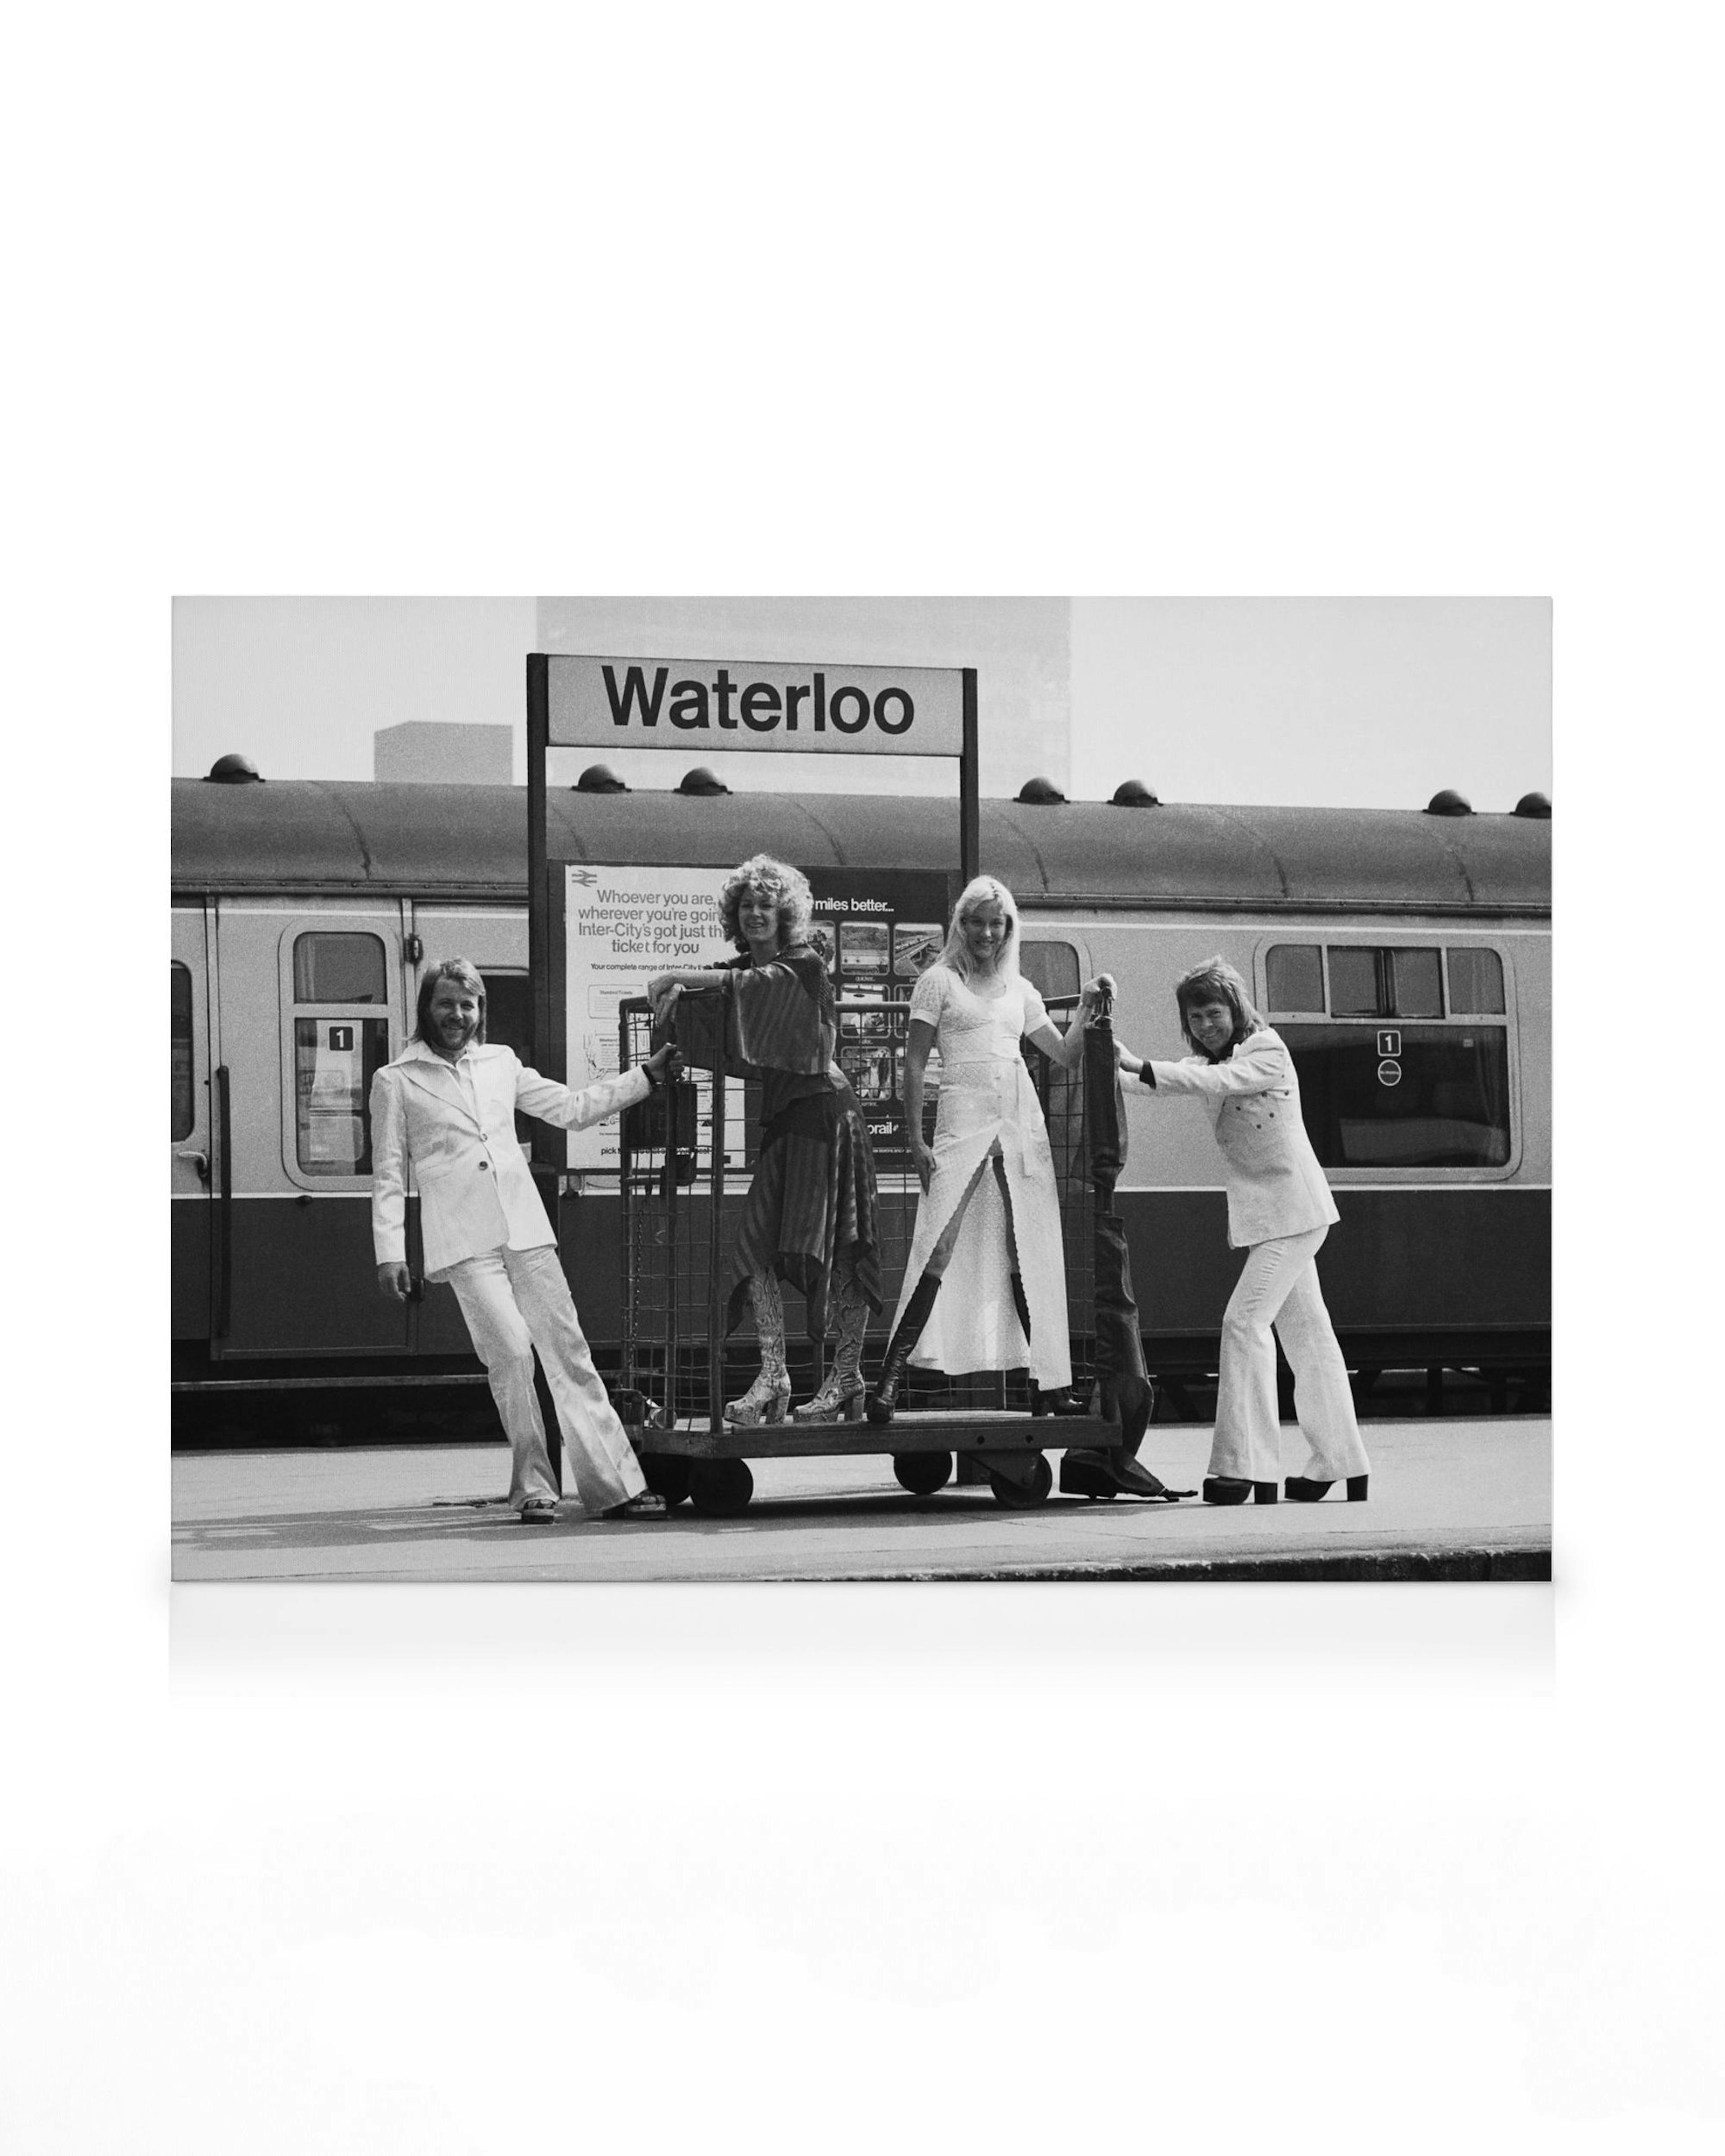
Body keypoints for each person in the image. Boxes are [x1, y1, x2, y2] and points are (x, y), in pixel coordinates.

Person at [372, 958, 680, 1523]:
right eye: (446, 1004)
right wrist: (390, 1251)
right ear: (427, 1008)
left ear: (480, 1010)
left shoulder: (501, 1064)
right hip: (465, 1242)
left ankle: (616, 1488)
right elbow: (390, 1171)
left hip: (526, 1231)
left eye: (468, 1005)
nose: (457, 1015)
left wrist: (647, 1077)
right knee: (512, 1354)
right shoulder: (396, 1079)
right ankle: (533, 1486)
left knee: (569, 1355)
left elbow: (570, 1110)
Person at [1113, 957, 1371, 1505]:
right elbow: (1162, 1084)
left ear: (1236, 1009)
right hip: (1276, 1219)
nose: (1206, 1025)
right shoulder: (1210, 1061)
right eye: (1195, 1018)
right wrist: (1097, 1065)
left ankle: (1247, 1468)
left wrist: (1139, 1062)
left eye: (1214, 1013)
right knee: (1309, 1340)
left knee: (1242, 1323)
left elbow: (1214, 1080)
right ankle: (1341, 1462)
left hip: (1297, 1216)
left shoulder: (1266, 1051)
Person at [867, 875, 1110, 1423]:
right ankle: (887, 1383)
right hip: (962, 1121)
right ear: (961, 925)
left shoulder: (1021, 990)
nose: (985, 932)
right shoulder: (937, 981)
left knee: (1028, 1244)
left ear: (1008, 929)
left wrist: (1091, 1004)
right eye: (975, 922)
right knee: (939, 1243)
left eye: (995, 923)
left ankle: (1047, 1385)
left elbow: (1065, 1055)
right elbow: (912, 1063)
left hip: (1018, 1123)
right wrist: (915, 1138)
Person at [647, 857, 883, 1425]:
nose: (756, 914)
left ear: (786, 914)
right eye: (747, 905)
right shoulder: (743, 970)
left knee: (845, 1247)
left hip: (828, 1117)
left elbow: (751, 988)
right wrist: (676, 1001)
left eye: (766, 905)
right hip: (786, 1120)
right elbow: (728, 995)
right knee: (756, 1248)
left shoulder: (804, 966)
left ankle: (847, 1374)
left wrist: (676, 978)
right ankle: (774, 1373)